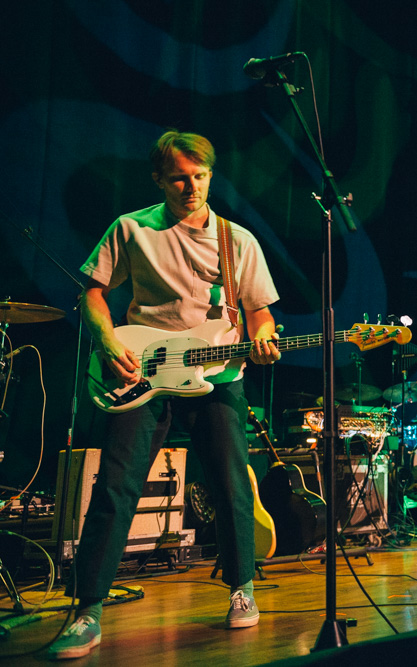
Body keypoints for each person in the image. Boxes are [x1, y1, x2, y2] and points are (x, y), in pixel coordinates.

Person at [50, 131, 281, 659]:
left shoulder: (237, 239)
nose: (191, 186)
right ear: (158, 178)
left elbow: (259, 312)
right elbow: (93, 291)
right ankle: (87, 610)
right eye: (179, 176)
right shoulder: (132, 228)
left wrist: (264, 336)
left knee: (231, 487)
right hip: (143, 374)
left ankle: (243, 588)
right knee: (114, 488)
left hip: (218, 376)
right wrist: (108, 341)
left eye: (200, 176)